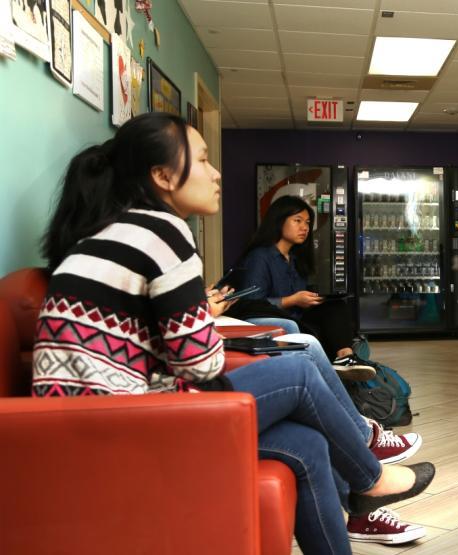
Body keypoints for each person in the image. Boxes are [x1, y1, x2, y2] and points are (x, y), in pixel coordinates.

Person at [32, 112, 434, 552]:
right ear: (163, 175)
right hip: (122, 429)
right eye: (203, 160)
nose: (216, 172)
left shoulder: (117, 232)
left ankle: (362, 483)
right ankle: (370, 478)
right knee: (298, 371)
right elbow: (200, 363)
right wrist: (201, 317)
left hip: (81, 431)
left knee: (308, 445)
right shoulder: (162, 231)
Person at [237, 195, 370, 373]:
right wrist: (292, 300)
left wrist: (310, 298)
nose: (304, 228)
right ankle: (341, 362)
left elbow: (297, 295)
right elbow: (250, 303)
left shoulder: (295, 258)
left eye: (307, 223)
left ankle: (345, 357)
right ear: (279, 221)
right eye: (297, 221)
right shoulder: (260, 257)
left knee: (336, 305)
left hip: (297, 315)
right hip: (278, 320)